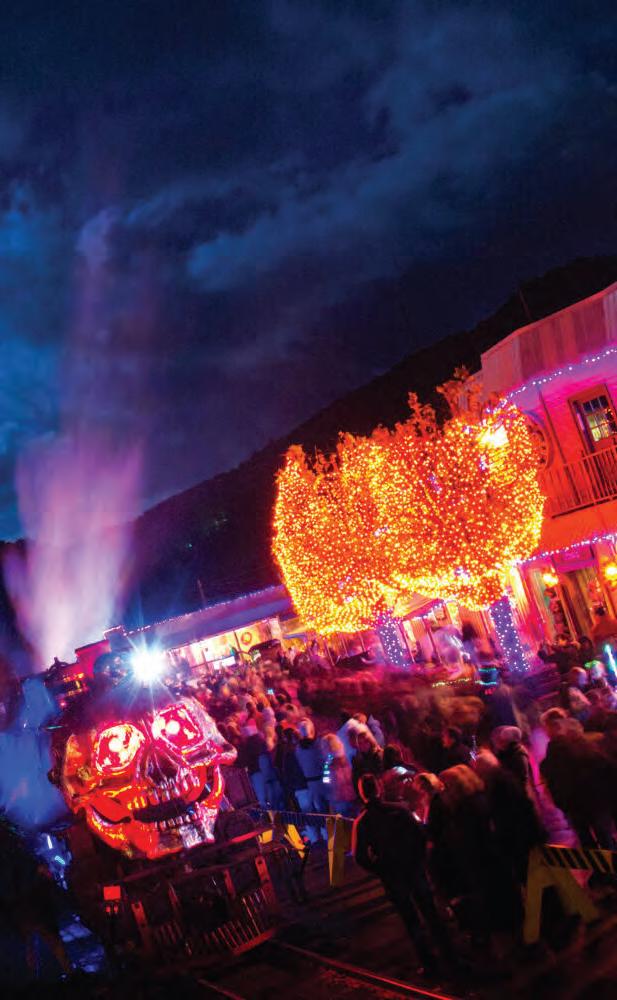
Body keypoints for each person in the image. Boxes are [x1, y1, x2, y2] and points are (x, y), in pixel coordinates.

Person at [352, 774, 455, 977]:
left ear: (362, 794)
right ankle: (450, 956)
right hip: (413, 869)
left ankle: (429, 964)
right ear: (379, 788)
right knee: (431, 915)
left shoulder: (362, 822)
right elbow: (420, 835)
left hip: (393, 877)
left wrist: (380, 869)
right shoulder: (399, 810)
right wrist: (418, 859)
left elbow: (360, 857)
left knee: (411, 920)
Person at [321, 734, 356, 816]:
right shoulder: (347, 757)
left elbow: (326, 782)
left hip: (338, 798)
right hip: (352, 795)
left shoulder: (328, 762)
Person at [351, 729, 384, 793]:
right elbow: (355, 778)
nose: (363, 745)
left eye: (365, 741)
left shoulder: (378, 755)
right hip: (365, 792)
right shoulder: (357, 759)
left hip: (378, 789)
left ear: (370, 741)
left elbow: (380, 774)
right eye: (360, 743)